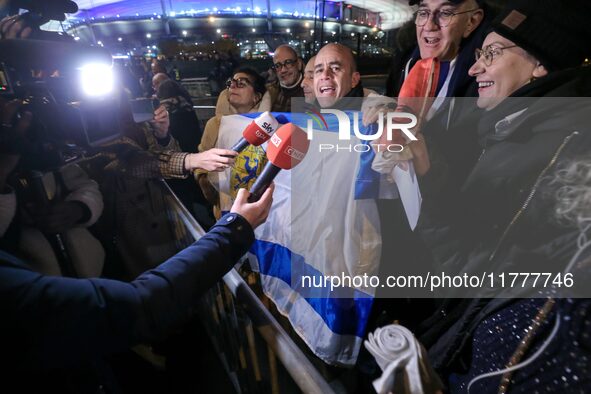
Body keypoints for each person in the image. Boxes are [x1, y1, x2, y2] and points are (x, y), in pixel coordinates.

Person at [0, 98, 275, 390]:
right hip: (126, 264)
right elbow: (131, 163)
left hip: (143, 257)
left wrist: (162, 135)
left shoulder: (122, 135)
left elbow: (138, 159)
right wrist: (194, 163)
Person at [412, 1, 591, 391]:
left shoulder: (559, 152)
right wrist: (426, 169)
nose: (475, 67)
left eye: (491, 54)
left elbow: (472, 273)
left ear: (540, 64)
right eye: (479, 54)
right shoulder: (512, 130)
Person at [197, 67, 272, 218]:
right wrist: (206, 184)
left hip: (259, 211)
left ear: (256, 97)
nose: (233, 86)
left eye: (242, 83)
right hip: (224, 212)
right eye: (232, 82)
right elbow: (201, 160)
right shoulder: (214, 124)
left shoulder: (270, 126)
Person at [267, 44, 304, 112]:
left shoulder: (311, 91)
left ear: (299, 64)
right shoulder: (270, 92)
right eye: (278, 66)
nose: (283, 70)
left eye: (288, 62)